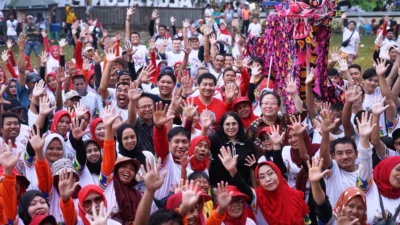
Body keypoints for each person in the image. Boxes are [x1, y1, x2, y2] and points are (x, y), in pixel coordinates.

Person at [209, 112, 256, 187]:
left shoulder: (248, 143)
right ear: (222, 126)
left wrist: (255, 190)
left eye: (234, 124)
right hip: (219, 189)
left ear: (239, 125)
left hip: (243, 188)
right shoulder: (214, 140)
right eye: (227, 124)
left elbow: (251, 169)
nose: (231, 127)